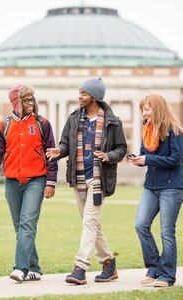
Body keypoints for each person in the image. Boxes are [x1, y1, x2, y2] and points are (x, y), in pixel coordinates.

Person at [46, 77, 127, 285]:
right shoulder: (73, 118)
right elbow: (65, 144)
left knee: (90, 221)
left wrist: (109, 156)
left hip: (99, 179)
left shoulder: (113, 121)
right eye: (79, 92)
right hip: (78, 177)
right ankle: (109, 263)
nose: (79, 96)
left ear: (94, 96)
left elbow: (122, 149)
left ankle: (80, 267)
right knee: (91, 223)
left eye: (83, 93)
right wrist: (59, 151)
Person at [0, 84, 58, 283]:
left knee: (27, 224)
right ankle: (35, 269)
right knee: (20, 227)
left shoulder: (43, 123)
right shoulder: (2, 126)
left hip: (37, 180)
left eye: (32, 99)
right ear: (16, 103)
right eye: (26, 100)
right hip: (12, 182)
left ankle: (20, 268)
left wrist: (51, 181)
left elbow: (51, 155)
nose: (31, 103)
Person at [128, 94, 183, 287]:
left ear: (158, 108)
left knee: (167, 232)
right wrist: (139, 159)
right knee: (140, 225)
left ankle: (167, 276)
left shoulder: (174, 131)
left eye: (147, 109)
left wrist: (148, 160)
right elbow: (146, 155)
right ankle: (154, 269)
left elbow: (175, 160)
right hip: (151, 187)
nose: (144, 113)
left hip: (171, 188)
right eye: (143, 109)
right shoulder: (147, 131)